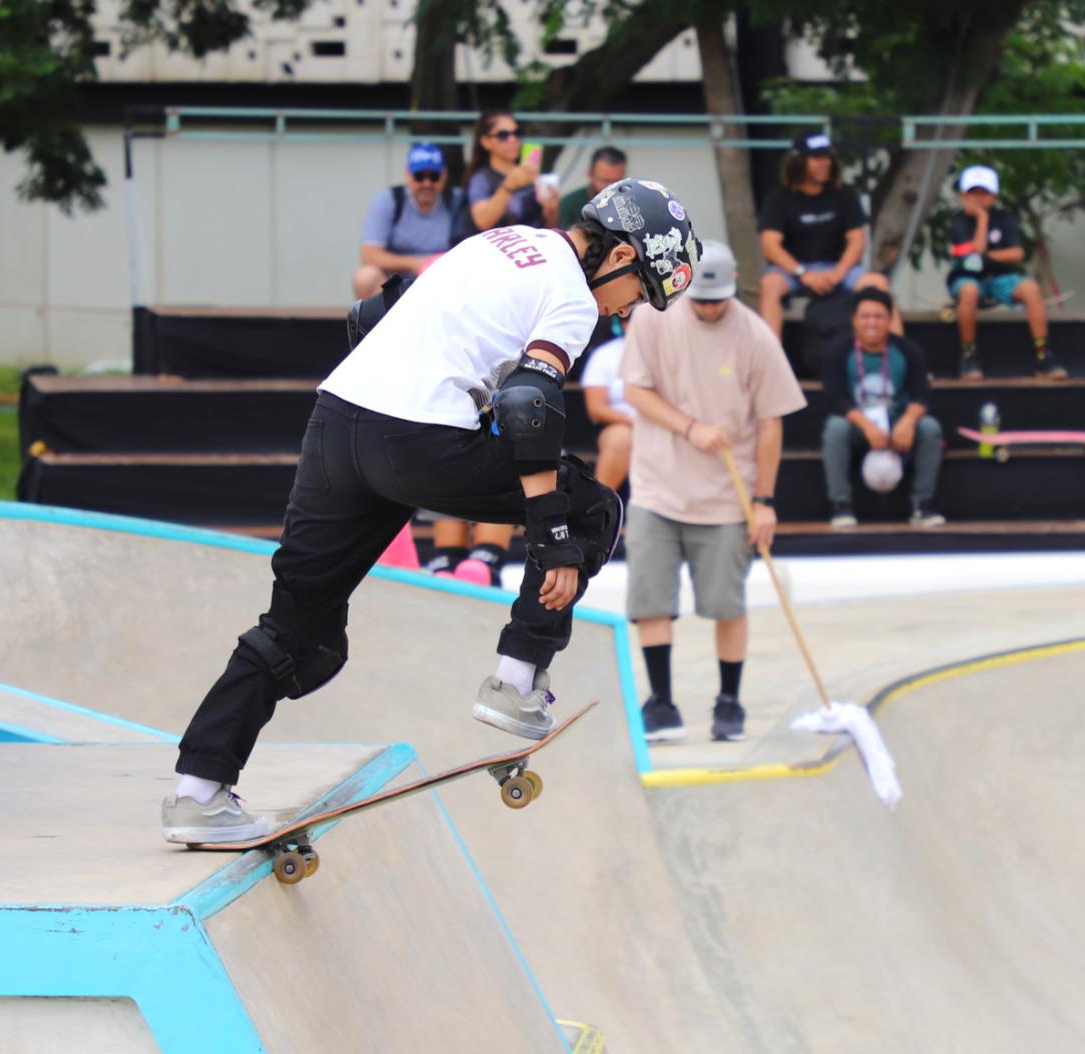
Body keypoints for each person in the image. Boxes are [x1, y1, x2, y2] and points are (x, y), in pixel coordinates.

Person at [160, 178, 700, 843]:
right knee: (592, 511)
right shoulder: (571, 299)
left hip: (336, 424)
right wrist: (551, 531)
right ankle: (516, 678)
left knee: (302, 633)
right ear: (620, 257)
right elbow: (528, 403)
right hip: (417, 438)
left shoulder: (502, 241)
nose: (627, 313)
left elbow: (373, 313)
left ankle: (199, 790)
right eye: (640, 294)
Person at [621, 240, 806, 744]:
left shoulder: (754, 337)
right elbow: (635, 389)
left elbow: (771, 423)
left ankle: (730, 701)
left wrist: (764, 501)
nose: (707, 308)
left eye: (717, 299)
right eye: (699, 299)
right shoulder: (653, 317)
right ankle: (661, 701)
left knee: (728, 603)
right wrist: (688, 427)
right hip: (658, 485)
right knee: (651, 599)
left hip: (728, 495)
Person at [821, 289, 944, 530]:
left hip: (898, 425)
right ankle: (841, 505)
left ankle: (923, 505)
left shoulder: (908, 350)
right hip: (858, 424)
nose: (872, 323)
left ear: (889, 320)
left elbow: (922, 394)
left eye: (878, 316)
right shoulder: (838, 351)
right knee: (835, 428)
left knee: (929, 427)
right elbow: (834, 398)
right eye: (865, 316)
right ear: (854, 320)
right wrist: (867, 426)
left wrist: (907, 422)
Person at [757, 132, 895, 341]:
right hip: (794, 270)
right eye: (817, 158)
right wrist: (804, 274)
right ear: (798, 162)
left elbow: (857, 241)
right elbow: (770, 246)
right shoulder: (778, 198)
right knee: (769, 285)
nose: (825, 163)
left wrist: (838, 273)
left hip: (838, 269)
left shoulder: (844, 194)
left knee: (879, 284)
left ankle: (899, 356)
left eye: (828, 157)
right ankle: (769, 361)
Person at [947, 164, 1065, 380]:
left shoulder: (1004, 219)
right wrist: (982, 220)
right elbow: (976, 251)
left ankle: (1043, 354)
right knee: (970, 290)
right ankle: (969, 354)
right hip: (967, 278)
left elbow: (1017, 253)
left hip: (999, 277)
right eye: (972, 193)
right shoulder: (958, 223)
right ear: (962, 195)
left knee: (1030, 288)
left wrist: (987, 258)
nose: (978, 199)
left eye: (984, 193)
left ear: (994, 196)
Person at [352, 142, 469, 298]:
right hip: (396, 283)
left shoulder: (457, 200)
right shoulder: (390, 200)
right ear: (408, 174)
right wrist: (418, 263)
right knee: (365, 276)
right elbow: (370, 254)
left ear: (445, 175)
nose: (427, 183)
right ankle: (379, 322)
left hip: (445, 281)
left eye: (434, 177)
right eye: (419, 176)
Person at [465, 110, 559, 234]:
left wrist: (551, 210)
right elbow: (483, 222)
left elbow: (550, 229)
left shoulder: (532, 175)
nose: (513, 139)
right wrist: (508, 187)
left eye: (517, 133)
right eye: (503, 135)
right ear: (486, 142)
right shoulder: (481, 179)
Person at [579, 318, 635, 491]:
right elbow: (596, 409)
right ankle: (600, 505)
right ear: (624, 325)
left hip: (667, 425)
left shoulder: (670, 351)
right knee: (621, 438)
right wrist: (635, 421)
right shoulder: (605, 355)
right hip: (622, 425)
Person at [559, 146, 628, 229]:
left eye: (616, 181)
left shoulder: (630, 204)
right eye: (604, 181)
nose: (610, 187)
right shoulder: (569, 205)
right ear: (590, 174)